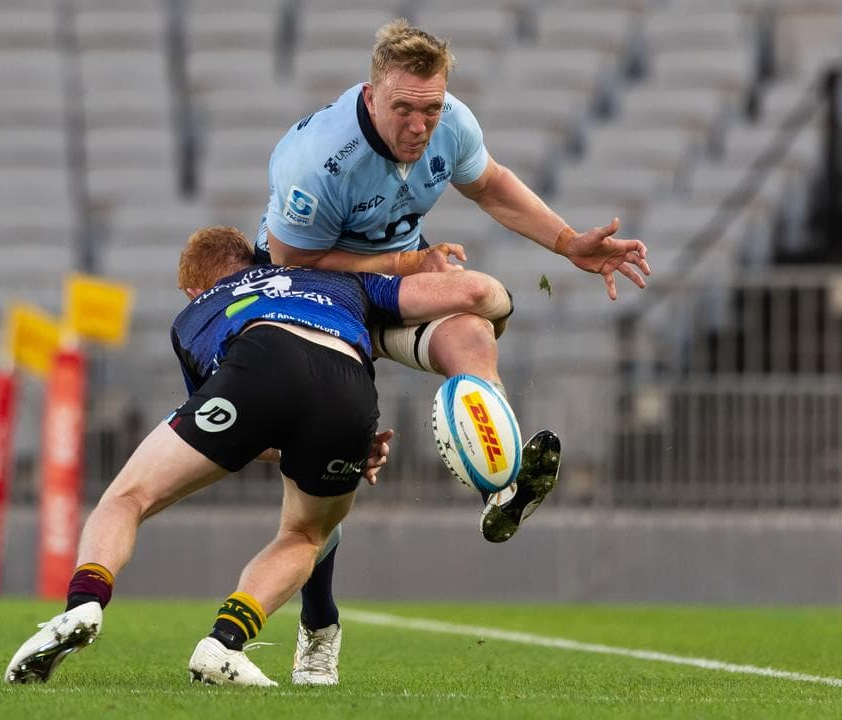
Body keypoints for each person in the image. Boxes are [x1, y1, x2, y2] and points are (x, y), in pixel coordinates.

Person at [257, 19, 649, 685]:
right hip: (313, 301)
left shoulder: (453, 123)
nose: (419, 125)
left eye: (431, 109)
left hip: (394, 293)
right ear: (371, 94)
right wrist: (409, 260)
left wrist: (567, 244)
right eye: (404, 108)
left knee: (472, 321)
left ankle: (499, 479)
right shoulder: (319, 161)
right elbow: (291, 257)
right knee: (321, 492)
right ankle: (318, 623)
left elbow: (490, 184)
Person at [5, 226, 519, 686]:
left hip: (260, 359)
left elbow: (245, 429)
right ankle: (224, 642)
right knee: (305, 534)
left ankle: (84, 603)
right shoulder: (340, 278)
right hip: (349, 386)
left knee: (128, 497)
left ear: (192, 287)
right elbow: (475, 292)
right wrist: (496, 301)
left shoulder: (191, 316)